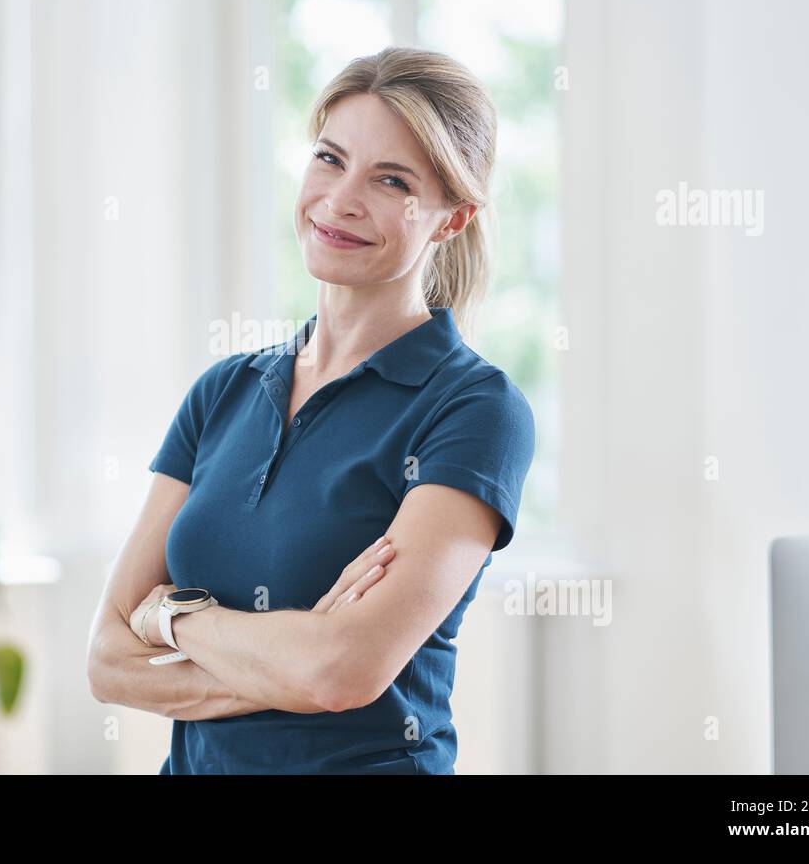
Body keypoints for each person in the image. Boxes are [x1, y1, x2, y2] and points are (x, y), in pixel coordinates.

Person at [87, 46, 536, 774]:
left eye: (391, 180)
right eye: (331, 158)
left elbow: (342, 672)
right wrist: (290, 665)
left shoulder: (475, 409)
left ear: (451, 219)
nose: (342, 199)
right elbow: (107, 662)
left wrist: (174, 616)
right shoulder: (223, 391)